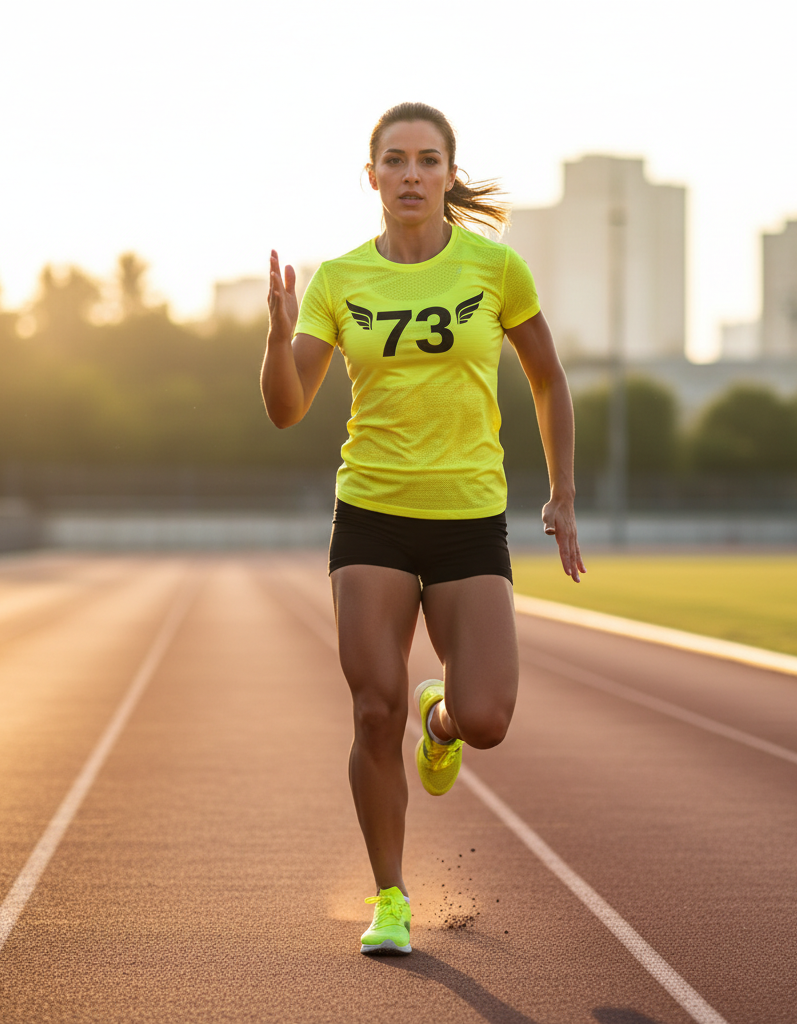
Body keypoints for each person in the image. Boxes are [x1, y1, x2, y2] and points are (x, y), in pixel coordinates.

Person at [261, 101, 584, 956]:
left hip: (469, 520)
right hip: (370, 515)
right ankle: (392, 898)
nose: (411, 174)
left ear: (448, 174)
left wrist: (562, 492)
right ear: (371, 176)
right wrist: (272, 336)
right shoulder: (336, 281)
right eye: (395, 160)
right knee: (373, 710)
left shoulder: (496, 270)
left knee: (487, 718)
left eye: (427, 160)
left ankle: (441, 724)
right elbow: (287, 411)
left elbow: (549, 379)